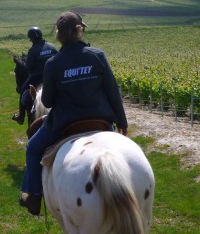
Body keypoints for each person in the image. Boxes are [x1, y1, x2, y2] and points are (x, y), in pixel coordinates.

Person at [19, 11, 129, 216]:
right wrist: (122, 122)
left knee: (32, 148)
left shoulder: (53, 63)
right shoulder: (97, 55)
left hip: (64, 122)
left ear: (59, 34)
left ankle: (34, 196)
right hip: (100, 120)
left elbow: (47, 102)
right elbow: (113, 92)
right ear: (79, 31)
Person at [12, 27, 58, 125]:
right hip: (53, 77)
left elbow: (28, 68)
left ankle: (21, 117)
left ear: (31, 38)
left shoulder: (33, 50)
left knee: (23, 90)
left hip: (37, 78)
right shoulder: (52, 47)